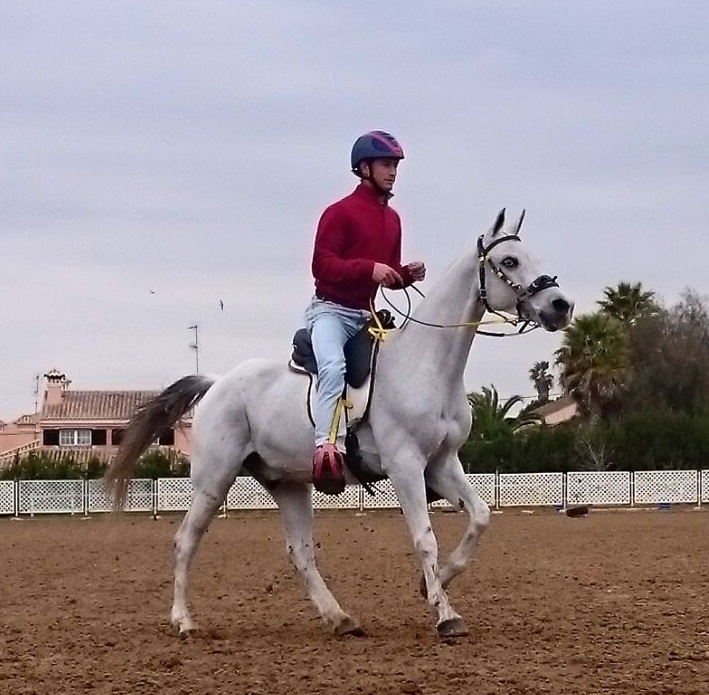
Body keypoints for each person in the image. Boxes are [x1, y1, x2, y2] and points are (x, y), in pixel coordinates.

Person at [305, 130, 426, 494]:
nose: (392, 172)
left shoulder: (393, 221)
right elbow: (321, 266)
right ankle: (328, 449)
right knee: (333, 368)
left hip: (365, 316)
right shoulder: (338, 213)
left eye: (395, 166)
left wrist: (405, 275)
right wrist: (368, 269)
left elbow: (385, 274)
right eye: (386, 164)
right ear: (364, 168)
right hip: (329, 312)